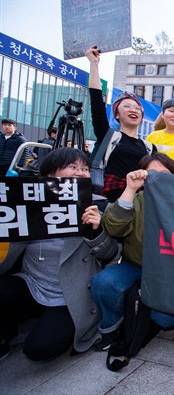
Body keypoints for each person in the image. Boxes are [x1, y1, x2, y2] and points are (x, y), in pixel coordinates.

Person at [0, 147, 118, 362]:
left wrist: (96, 231)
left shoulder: (98, 206)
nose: (80, 173)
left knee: (39, 349)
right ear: (49, 174)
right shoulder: (25, 203)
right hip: (31, 283)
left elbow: (110, 254)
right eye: (72, 167)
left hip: (68, 295)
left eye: (84, 169)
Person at [91, 153, 174, 350]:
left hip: (169, 272)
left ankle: (141, 317)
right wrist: (130, 189)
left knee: (166, 319)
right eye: (151, 173)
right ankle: (111, 326)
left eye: (164, 173)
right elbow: (114, 229)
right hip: (135, 265)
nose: (158, 177)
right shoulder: (135, 198)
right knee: (104, 283)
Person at [86, 45, 156, 202]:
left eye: (137, 108)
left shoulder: (150, 147)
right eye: (127, 106)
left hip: (140, 204)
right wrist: (94, 64)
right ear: (116, 114)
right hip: (108, 203)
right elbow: (97, 101)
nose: (133, 110)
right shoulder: (108, 135)